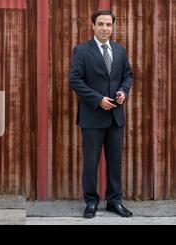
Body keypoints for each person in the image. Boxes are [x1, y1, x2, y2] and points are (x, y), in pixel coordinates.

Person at [69, 10, 134, 219]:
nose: (105, 28)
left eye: (108, 24)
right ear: (93, 26)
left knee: (115, 162)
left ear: (113, 27)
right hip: (92, 117)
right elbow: (75, 80)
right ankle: (91, 202)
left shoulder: (120, 50)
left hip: (116, 116)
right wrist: (98, 100)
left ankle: (114, 201)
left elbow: (128, 75)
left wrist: (123, 91)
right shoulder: (82, 50)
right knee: (91, 162)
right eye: (101, 24)